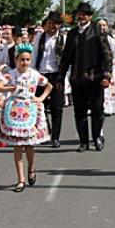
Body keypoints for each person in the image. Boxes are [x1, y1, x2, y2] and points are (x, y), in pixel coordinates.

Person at [0, 44, 53, 192]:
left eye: (27, 59)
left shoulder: (34, 74)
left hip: (30, 110)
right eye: (22, 59)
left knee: (29, 144)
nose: (25, 62)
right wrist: (10, 88)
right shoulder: (12, 74)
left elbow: (49, 86)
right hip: (15, 111)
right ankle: (20, 179)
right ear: (16, 60)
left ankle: (31, 168)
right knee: (17, 146)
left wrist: (40, 98)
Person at [59, 2, 113, 152]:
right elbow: (65, 58)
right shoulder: (72, 34)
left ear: (90, 16)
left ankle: (96, 137)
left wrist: (106, 75)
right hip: (77, 79)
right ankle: (83, 142)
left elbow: (107, 55)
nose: (81, 16)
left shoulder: (97, 32)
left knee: (97, 110)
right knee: (79, 111)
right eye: (79, 13)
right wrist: (60, 77)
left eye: (84, 14)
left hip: (95, 78)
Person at [32, 11, 66, 148]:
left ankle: (56, 138)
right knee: (40, 106)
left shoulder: (63, 38)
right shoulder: (40, 37)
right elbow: (34, 55)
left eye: (55, 24)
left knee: (57, 108)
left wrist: (63, 77)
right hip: (41, 75)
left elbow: (66, 59)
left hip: (56, 75)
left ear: (59, 25)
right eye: (50, 23)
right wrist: (33, 74)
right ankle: (46, 131)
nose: (52, 26)